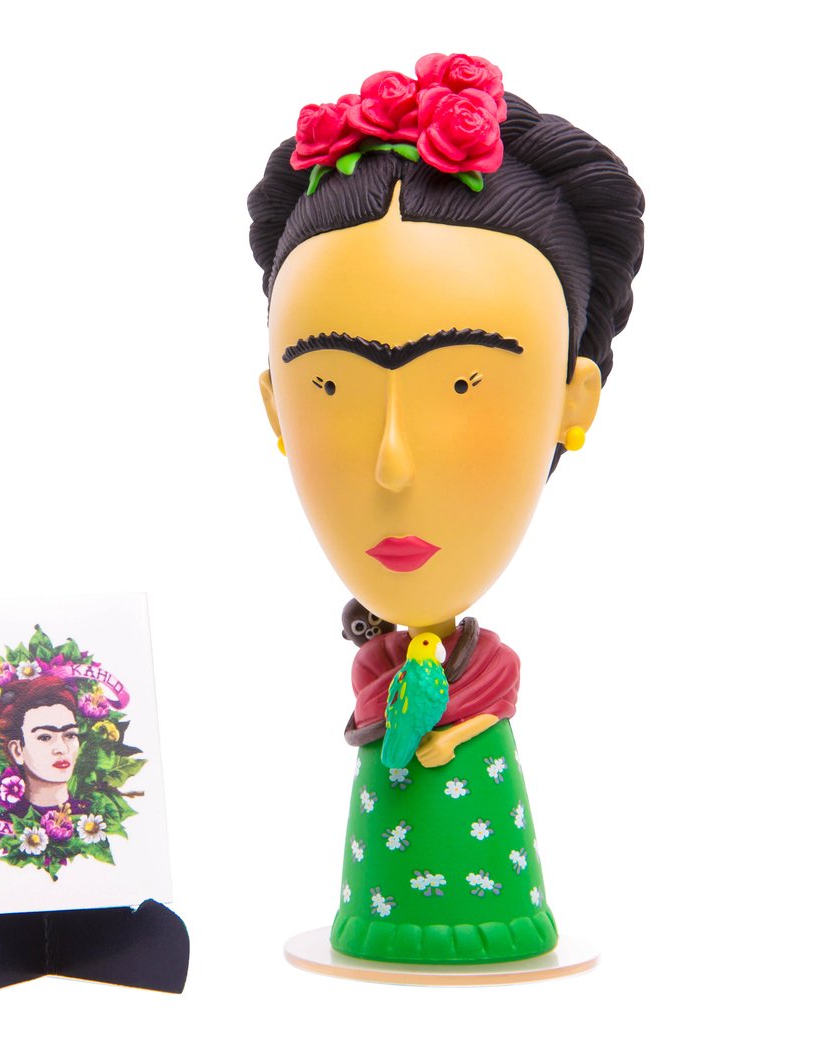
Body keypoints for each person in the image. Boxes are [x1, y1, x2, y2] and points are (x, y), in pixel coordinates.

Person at [248, 55, 643, 964]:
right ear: (275, 407)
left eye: (464, 384)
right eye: (331, 386)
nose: (393, 461)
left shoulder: (468, 680)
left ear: (573, 399)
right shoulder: (388, 673)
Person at [0, 676, 81, 810]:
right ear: (17, 751)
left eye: (70, 735)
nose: (62, 748)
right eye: (45, 737)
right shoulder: (6, 819)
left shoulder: (92, 814)